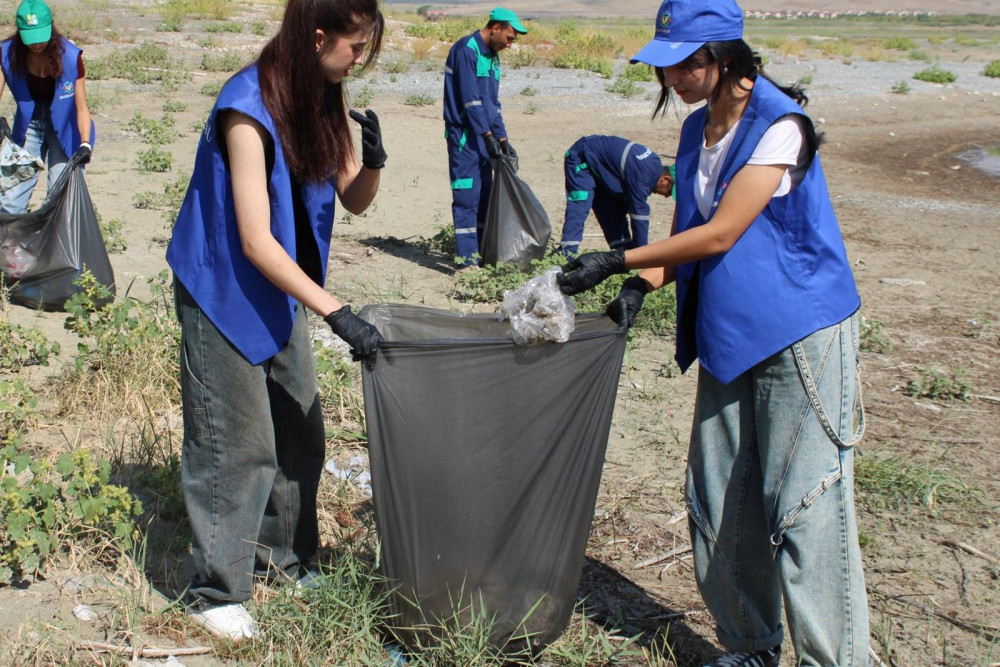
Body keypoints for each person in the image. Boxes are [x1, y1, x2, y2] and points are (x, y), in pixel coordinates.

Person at [557, 1, 869, 665]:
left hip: (799, 336)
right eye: (666, 66)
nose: (674, 78)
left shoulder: (778, 122)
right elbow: (690, 231)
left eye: (686, 63)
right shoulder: (699, 126)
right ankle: (751, 644)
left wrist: (617, 259)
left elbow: (725, 229)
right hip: (730, 335)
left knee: (804, 504)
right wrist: (645, 283)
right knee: (717, 495)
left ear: (727, 57)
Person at [165, 0, 386, 641]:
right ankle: (215, 591)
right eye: (354, 48)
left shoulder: (322, 94)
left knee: (300, 430)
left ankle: (284, 561)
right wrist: (336, 311)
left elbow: (356, 199)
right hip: (225, 288)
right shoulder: (245, 108)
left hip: (284, 287)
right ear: (318, 37)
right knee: (238, 446)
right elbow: (256, 241)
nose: (358, 61)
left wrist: (372, 161)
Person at [442, 7, 526, 267]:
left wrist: (502, 139)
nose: (510, 44)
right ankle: (467, 262)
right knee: (467, 196)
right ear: (496, 27)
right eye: (510, 38)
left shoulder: (493, 57)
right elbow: (470, 101)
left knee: (486, 195)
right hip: (465, 137)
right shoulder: (467, 50)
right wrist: (487, 135)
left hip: (484, 136)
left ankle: (482, 253)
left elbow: (492, 104)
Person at [0, 0, 94, 213]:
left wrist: (85, 144)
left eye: (41, 37)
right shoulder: (7, 54)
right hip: (29, 125)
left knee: (61, 197)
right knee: (11, 200)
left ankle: (57, 247)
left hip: (65, 126)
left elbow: (82, 108)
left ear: (51, 26)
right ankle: (12, 246)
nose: (36, 44)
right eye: (30, 38)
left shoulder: (70, 57)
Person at [560, 134, 674, 257]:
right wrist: (642, 256)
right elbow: (639, 214)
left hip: (601, 168)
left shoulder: (653, 165)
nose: (667, 196)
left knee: (612, 209)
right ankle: (566, 255)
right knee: (580, 207)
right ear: (665, 179)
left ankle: (623, 254)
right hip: (581, 158)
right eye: (669, 190)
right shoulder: (644, 176)